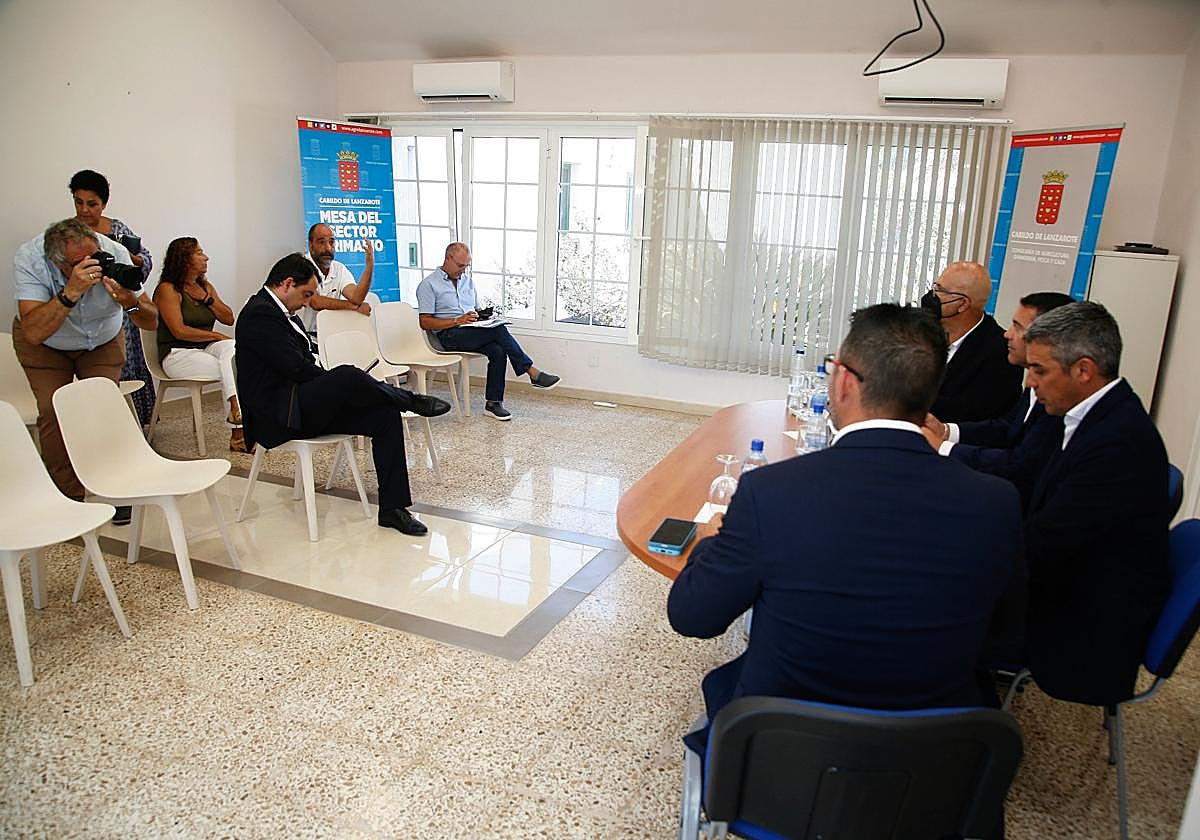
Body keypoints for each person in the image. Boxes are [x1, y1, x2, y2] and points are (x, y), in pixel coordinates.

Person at [668, 303, 1022, 756]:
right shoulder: (996, 502)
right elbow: (1006, 639)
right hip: (934, 771)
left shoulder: (770, 493)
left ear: (843, 381)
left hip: (780, 768)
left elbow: (692, 615)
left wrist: (709, 543)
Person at [235, 253, 451, 537]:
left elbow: (303, 363)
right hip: (278, 415)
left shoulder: (281, 313)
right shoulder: (259, 314)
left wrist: (334, 387)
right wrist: (335, 385)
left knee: (383, 416)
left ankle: (393, 509)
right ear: (287, 283)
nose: (307, 302)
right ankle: (410, 401)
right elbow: (297, 368)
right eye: (306, 294)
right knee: (347, 376)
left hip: (300, 404)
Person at [1021, 301, 1169, 706]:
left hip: (1086, 628)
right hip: (1077, 587)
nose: (1031, 383)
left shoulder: (1117, 445)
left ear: (1083, 370)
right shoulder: (1096, 415)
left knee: (943, 606)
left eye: (1039, 370)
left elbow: (1042, 546)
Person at [12, 218, 159, 511]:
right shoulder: (31, 259)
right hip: (48, 343)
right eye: (79, 262)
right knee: (53, 410)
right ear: (58, 263)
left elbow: (151, 320)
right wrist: (71, 291)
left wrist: (128, 301)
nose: (92, 265)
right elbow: (33, 331)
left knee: (103, 407)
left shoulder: (114, 252)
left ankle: (114, 486)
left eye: (94, 257)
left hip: (102, 337)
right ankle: (69, 498)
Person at [922, 291, 1075, 506]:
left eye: (1018, 327)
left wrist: (943, 447)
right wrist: (945, 431)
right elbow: (1006, 428)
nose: (1007, 334)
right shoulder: (1035, 383)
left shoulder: (1059, 397)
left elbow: (1021, 465)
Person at [416, 243, 559, 421]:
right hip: (447, 335)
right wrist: (456, 320)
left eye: (466, 266)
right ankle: (531, 372)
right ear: (448, 259)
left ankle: (493, 404)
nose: (463, 270)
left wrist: (481, 316)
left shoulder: (467, 282)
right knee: (499, 331)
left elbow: (475, 308)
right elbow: (424, 322)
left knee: (498, 349)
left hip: (470, 331)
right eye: (460, 266)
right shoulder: (428, 285)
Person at [69, 169, 156, 426]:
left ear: (104, 204)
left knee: (127, 363)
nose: (84, 210)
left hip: (121, 307)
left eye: (92, 204)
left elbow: (144, 262)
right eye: (78, 202)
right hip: (85, 311)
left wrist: (133, 260)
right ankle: (98, 429)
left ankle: (133, 426)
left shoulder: (117, 229)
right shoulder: (68, 233)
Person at [153, 237, 243, 452]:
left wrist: (207, 299)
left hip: (203, 349)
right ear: (184, 260)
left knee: (234, 350)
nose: (206, 257)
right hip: (176, 354)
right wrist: (215, 337)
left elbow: (229, 319)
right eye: (199, 253)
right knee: (232, 367)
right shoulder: (168, 289)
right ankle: (238, 431)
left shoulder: (205, 287)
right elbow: (179, 330)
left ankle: (237, 416)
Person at [923, 261, 1023, 423]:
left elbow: (972, 412)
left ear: (962, 304)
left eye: (939, 290)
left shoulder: (1000, 352)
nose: (931, 295)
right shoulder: (919, 331)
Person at [304, 223, 373, 324]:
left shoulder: (339, 268)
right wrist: (353, 307)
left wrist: (369, 265)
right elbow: (315, 302)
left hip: (331, 333)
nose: (328, 248)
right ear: (311, 244)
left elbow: (356, 297)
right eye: (322, 242)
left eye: (331, 242)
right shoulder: (302, 266)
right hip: (303, 335)